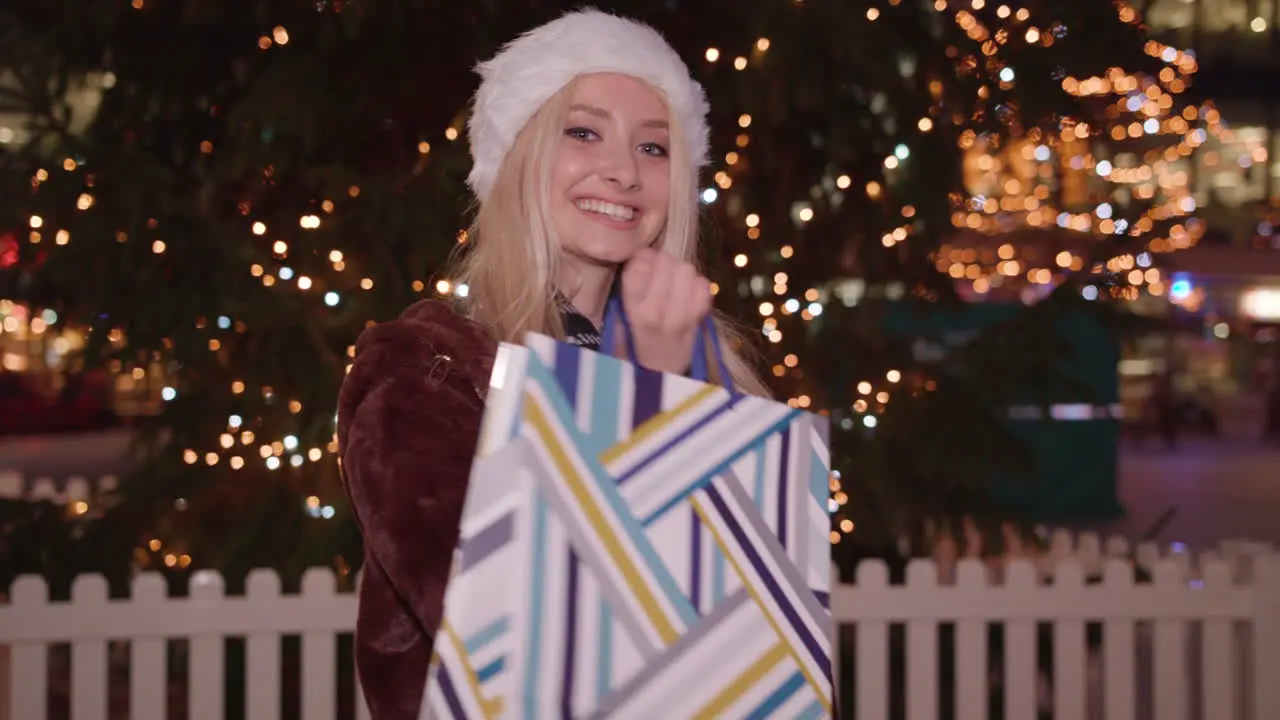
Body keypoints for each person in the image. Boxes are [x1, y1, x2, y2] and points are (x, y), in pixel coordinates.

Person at [336, 10, 769, 718]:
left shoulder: (720, 368)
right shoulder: (427, 371)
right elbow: (523, 638)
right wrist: (650, 399)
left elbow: (756, 635)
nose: (624, 171)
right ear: (518, 157)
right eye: (583, 131)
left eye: (655, 148)